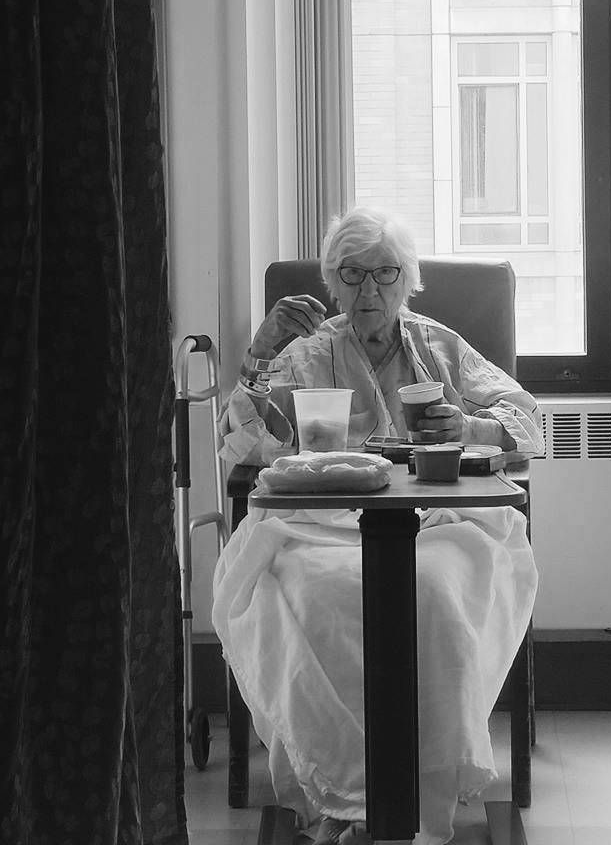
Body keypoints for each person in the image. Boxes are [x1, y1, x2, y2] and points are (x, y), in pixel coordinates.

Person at [212, 207, 544, 845]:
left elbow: (526, 417)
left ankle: (413, 805)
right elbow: (245, 441)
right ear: (332, 283)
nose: (369, 292)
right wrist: (257, 356)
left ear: (407, 280)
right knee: (320, 597)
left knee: (436, 594)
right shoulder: (305, 354)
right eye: (352, 275)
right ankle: (343, 800)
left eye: (385, 275)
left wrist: (469, 428)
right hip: (321, 525)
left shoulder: (439, 347)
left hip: (438, 523)